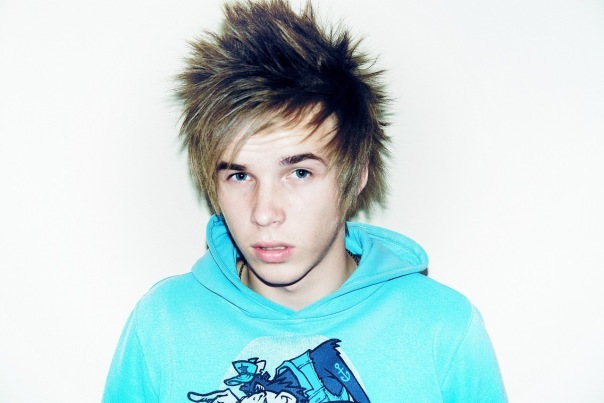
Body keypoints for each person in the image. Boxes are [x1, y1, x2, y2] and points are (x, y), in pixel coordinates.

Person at [102, 0, 506, 401]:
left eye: (299, 173)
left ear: (356, 176)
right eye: (240, 176)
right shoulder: (163, 324)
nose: (264, 213)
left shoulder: (443, 329)